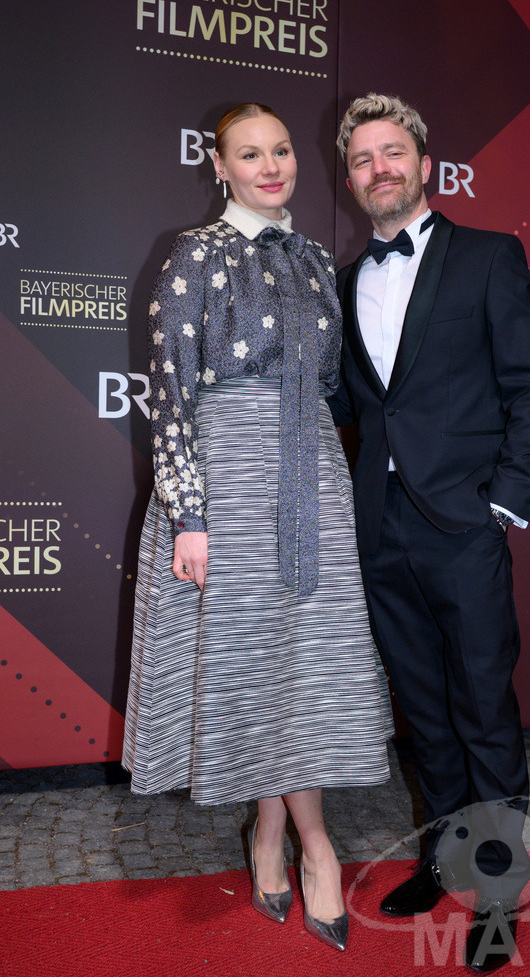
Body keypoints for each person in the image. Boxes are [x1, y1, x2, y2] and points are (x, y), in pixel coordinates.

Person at [122, 102, 393, 954]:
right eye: (250, 153)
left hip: (313, 475)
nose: (271, 165)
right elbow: (169, 394)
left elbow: (332, 388)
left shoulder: (315, 258)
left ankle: (280, 836)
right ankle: (308, 843)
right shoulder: (192, 257)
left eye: (280, 150)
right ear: (219, 165)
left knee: (304, 666)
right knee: (252, 664)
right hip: (227, 484)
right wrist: (189, 517)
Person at [330, 93, 530, 973]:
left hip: (463, 526)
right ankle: (439, 860)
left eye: (391, 152)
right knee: (421, 713)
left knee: (482, 710)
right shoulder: (350, 281)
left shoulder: (490, 257)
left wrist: (504, 501)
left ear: (423, 164)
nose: (377, 168)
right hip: (381, 529)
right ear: (349, 178)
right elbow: (355, 402)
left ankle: (499, 893)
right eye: (361, 159)